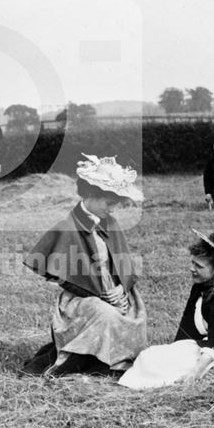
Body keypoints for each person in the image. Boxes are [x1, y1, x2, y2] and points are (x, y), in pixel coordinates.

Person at [21, 154, 147, 377]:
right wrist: (101, 296)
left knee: (136, 311)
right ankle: (83, 364)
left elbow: (121, 264)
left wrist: (120, 289)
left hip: (113, 292)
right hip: (79, 299)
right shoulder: (66, 227)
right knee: (105, 314)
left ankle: (115, 360)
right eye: (109, 204)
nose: (112, 209)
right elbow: (63, 277)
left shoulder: (110, 223)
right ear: (91, 195)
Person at [118, 229, 214, 389]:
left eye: (199, 266)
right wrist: (173, 350)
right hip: (201, 346)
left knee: (155, 363)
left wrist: (195, 372)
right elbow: (186, 327)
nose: (192, 268)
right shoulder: (200, 288)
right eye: (192, 263)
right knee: (148, 355)